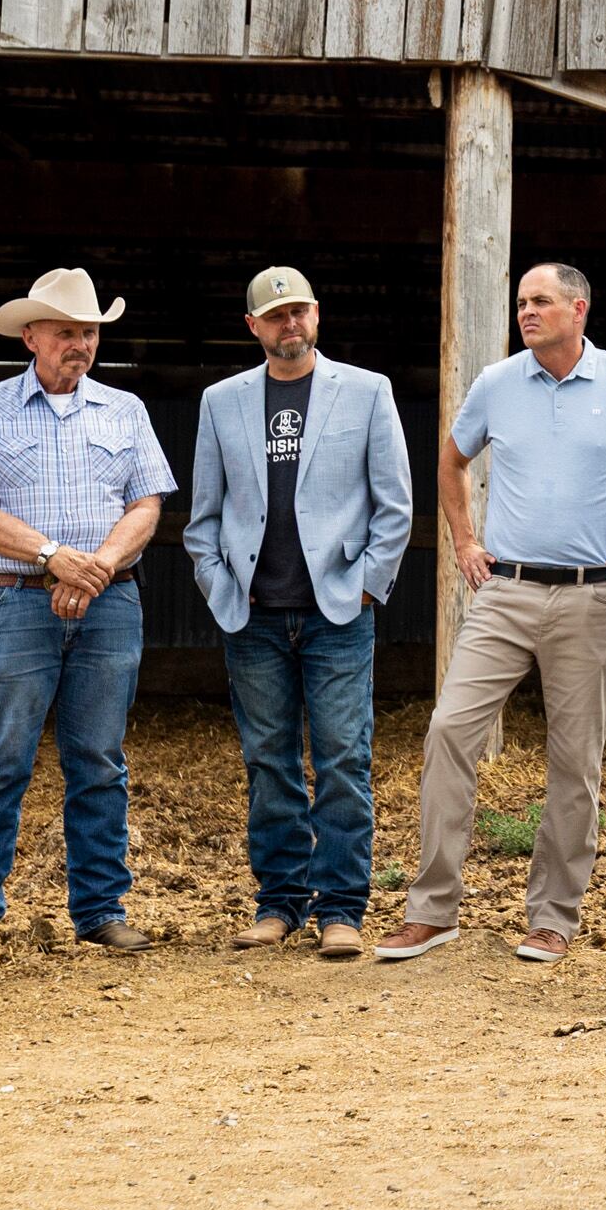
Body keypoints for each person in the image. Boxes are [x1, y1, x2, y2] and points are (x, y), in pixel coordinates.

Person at [379, 263, 606, 966]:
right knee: (449, 729)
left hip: (593, 594)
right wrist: (463, 539)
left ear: (580, 307)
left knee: (574, 762)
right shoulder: (497, 384)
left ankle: (553, 917)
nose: (527, 311)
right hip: (505, 591)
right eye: (521, 302)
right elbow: (451, 461)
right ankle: (432, 911)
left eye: (541, 301)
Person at [0, 268, 177, 960]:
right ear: (31, 335)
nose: (81, 343)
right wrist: (53, 557)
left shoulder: (125, 410)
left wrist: (94, 567)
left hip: (108, 601)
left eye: (90, 331)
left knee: (99, 760)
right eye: (67, 331)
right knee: (0, 760)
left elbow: (147, 505)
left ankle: (100, 909)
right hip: (14, 598)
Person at [184, 267, 413, 961]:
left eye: (300, 311)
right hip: (252, 615)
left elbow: (394, 506)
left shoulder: (368, 391)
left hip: (337, 610)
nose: (291, 324)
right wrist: (220, 584)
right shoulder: (222, 402)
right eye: (276, 315)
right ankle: (279, 902)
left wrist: (369, 584)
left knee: (345, 758)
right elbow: (202, 519)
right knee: (268, 761)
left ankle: (341, 910)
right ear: (253, 326)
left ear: (318, 315)